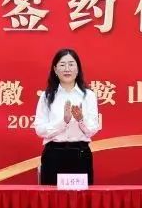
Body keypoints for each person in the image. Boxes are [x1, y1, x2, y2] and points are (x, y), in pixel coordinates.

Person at [33, 48, 101, 185]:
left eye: (71, 64)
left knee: (81, 197)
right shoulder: (47, 96)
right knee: (52, 197)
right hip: (54, 155)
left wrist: (81, 120)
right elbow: (39, 129)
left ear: (78, 69)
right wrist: (64, 121)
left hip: (81, 155)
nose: (67, 69)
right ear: (55, 69)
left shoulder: (88, 96)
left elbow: (92, 130)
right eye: (62, 65)